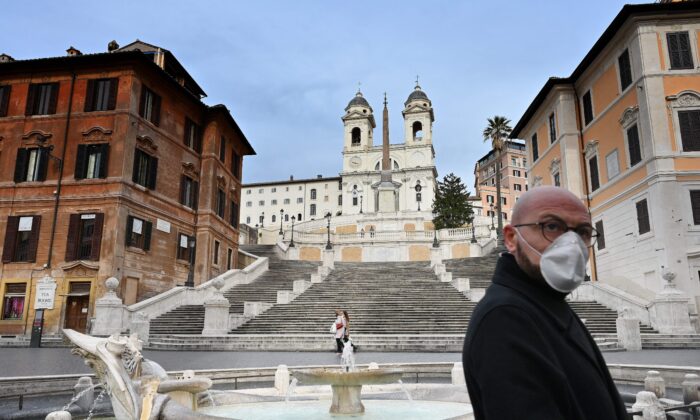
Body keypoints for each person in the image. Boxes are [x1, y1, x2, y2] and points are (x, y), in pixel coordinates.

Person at [462, 186, 627, 420]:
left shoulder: (546, 302)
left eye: (582, 232)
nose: (571, 243)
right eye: (551, 226)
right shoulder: (504, 318)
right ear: (511, 238)